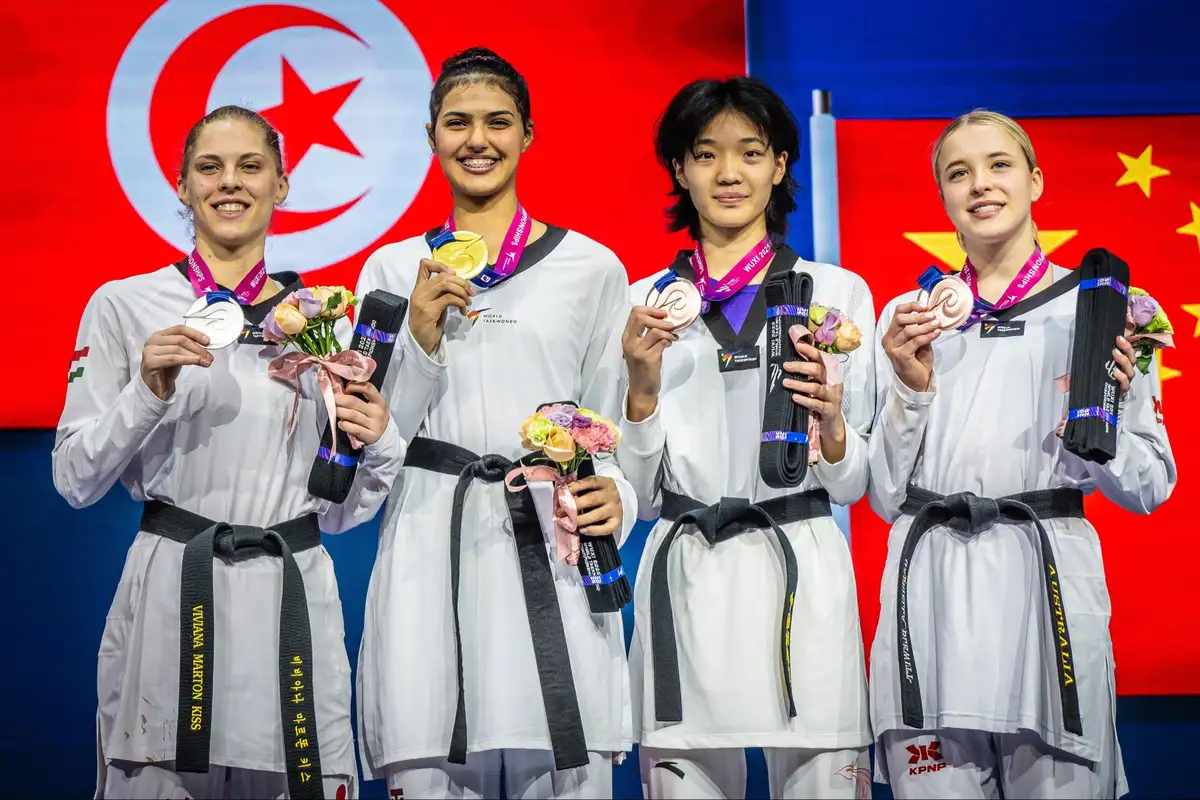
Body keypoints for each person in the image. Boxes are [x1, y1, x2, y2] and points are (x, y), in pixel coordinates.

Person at [53, 105, 403, 800]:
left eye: (251, 166)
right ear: (181, 187)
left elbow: (338, 515)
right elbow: (74, 479)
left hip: (290, 598)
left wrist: (379, 438)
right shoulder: (126, 304)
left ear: (282, 185)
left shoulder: (328, 321)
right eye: (209, 168)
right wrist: (148, 389)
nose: (229, 183)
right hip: (171, 596)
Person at [354, 47, 637, 800]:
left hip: (554, 544)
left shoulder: (594, 268)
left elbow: (612, 436)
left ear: (528, 135)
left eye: (497, 122)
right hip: (429, 551)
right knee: (429, 738)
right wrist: (417, 335)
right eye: (457, 123)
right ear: (431, 137)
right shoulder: (388, 271)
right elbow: (374, 441)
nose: (477, 139)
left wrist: (623, 500)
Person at [867, 110, 1176, 799]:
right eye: (958, 172)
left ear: (1036, 180)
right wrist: (909, 393)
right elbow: (884, 494)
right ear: (943, 196)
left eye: (1000, 165)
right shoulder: (906, 319)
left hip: (1049, 592)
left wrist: (1107, 418)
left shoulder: (1106, 309)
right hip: (931, 593)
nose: (980, 184)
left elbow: (1150, 487)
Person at [619, 77, 875, 800]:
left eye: (751, 153)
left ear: (782, 164)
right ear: (679, 169)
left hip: (804, 573)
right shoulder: (640, 304)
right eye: (706, 154)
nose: (729, 174)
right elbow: (636, 498)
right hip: (687, 575)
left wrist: (830, 428)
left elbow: (858, 484)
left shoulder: (838, 295)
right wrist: (640, 389)